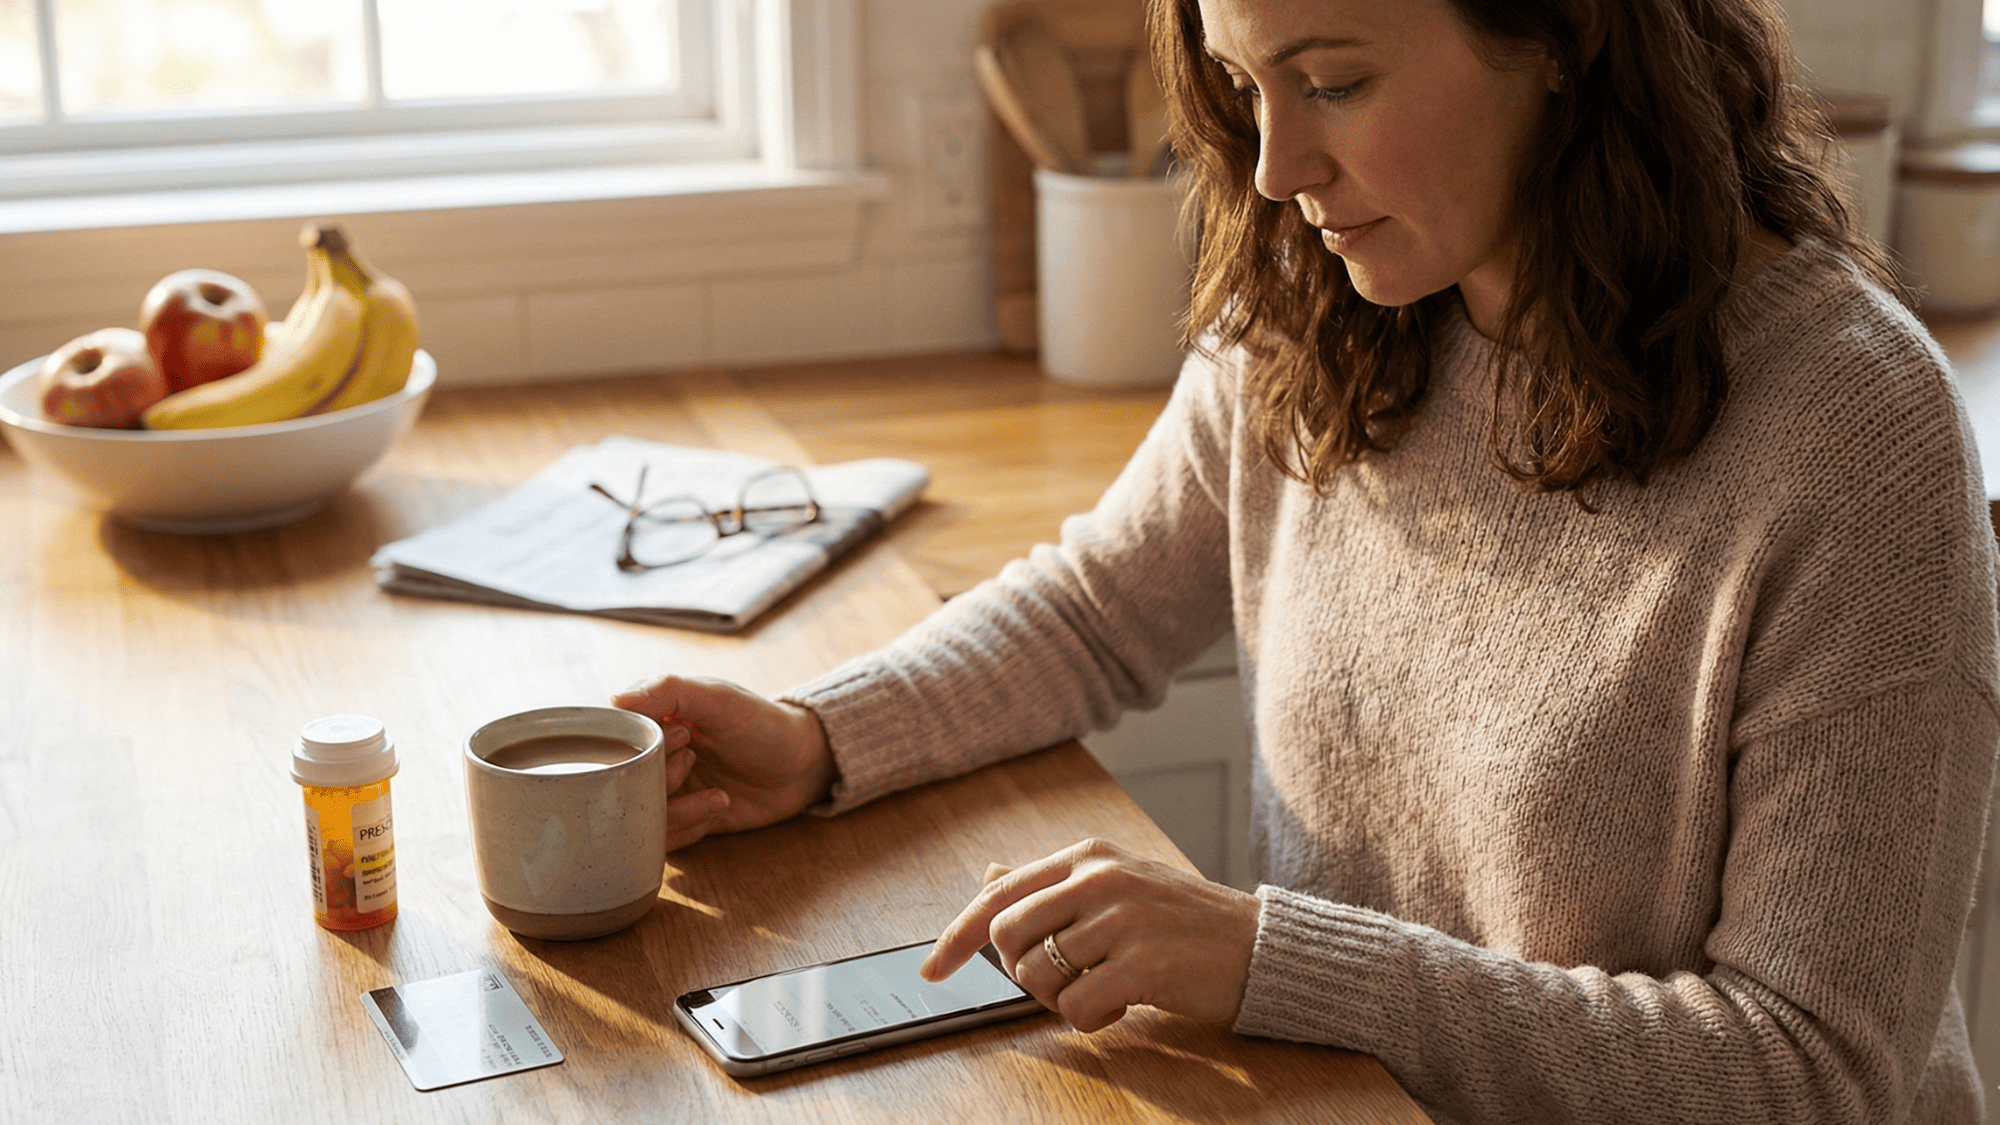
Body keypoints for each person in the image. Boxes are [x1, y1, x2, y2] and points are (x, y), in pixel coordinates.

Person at [617, 0, 2000, 1119]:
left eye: (1333, 81)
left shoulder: (1849, 433)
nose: (1278, 168)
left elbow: (1817, 1070)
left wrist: (1285, 967)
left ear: (1569, 38)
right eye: (1243, 83)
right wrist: (818, 738)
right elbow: (1103, 607)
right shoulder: (1327, 292)